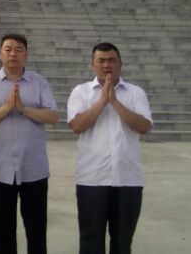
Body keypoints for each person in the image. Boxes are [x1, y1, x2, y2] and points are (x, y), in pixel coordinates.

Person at [0, 34, 59, 254]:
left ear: (26, 54)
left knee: (36, 230)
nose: (13, 54)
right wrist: (6, 108)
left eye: (18, 49)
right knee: (2, 233)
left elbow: (52, 116)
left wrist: (23, 109)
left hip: (34, 170)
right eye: (8, 49)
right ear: (0, 53)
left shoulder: (39, 82)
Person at [67, 42, 153, 254]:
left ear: (120, 64)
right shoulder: (81, 92)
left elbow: (143, 126)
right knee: (90, 241)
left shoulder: (135, 93)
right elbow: (77, 126)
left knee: (123, 242)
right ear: (92, 65)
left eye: (111, 60)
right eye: (101, 61)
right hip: (91, 179)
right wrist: (102, 102)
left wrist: (115, 102)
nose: (107, 65)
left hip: (128, 180)